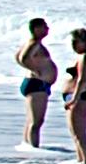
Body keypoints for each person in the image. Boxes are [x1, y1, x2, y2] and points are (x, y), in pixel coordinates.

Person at [61, 27, 86, 164]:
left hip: (82, 97)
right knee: (75, 134)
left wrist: (74, 99)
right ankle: (80, 162)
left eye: (75, 42)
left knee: (80, 135)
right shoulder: (81, 56)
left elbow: (82, 80)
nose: (72, 45)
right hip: (76, 96)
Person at [17, 18, 59, 147]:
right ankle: (34, 149)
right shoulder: (34, 43)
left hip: (36, 84)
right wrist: (34, 69)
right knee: (36, 122)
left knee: (31, 120)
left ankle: (27, 145)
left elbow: (18, 56)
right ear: (36, 29)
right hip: (37, 84)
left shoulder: (33, 43)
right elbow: (23, 58)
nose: (47, 29)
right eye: (44, 27)